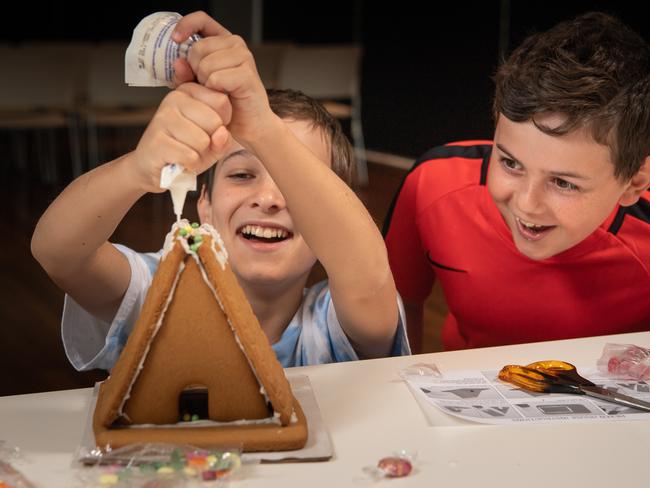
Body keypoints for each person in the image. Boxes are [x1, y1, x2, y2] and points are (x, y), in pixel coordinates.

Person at [31, 12, 409, 371]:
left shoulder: (334, 325)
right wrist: (136, 169)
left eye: (294, 182)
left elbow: (368, 273)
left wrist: (263, 128)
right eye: (243, 174)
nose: (268, 198)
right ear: (205, 206)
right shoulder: (159, 293)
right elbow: (59, 253)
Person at [383, 12, 650, 353]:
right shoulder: (432, 184)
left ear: (634, 182)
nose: (526, 204)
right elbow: (396, 304)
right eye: (510, 163)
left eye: (564, 183)